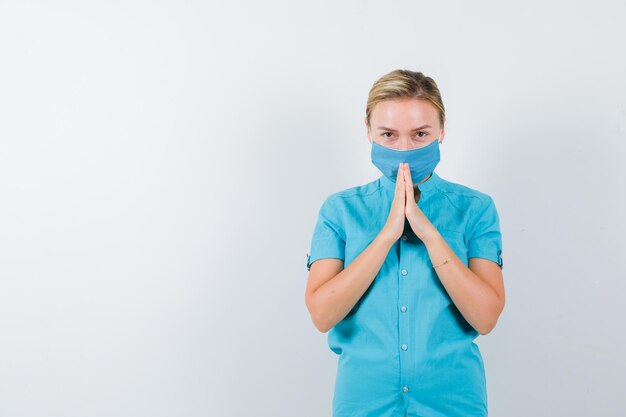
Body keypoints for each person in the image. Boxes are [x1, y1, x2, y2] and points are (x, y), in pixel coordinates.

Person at [304, 69, 505, 417]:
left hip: (454, 402)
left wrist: (429, 234)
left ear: (441, 132)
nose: (404, 148)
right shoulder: (340, 210)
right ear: (368, 132)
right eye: (388, 134)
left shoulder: (476, 209)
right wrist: (385, 237)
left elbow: (486, 317)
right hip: (364, 403)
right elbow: (322, 314)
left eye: (420, 134)